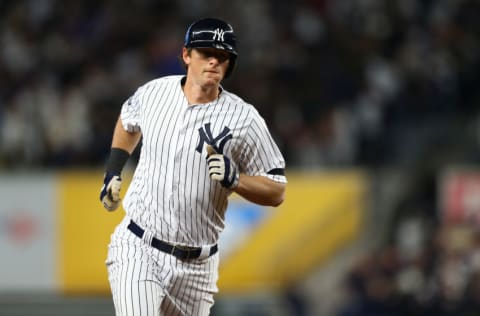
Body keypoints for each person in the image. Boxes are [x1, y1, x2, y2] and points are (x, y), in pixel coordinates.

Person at [100, 17, 287, 315]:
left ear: (230, 65)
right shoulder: (154, 93)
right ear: (186, 55)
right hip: (139, 246)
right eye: (205, 53)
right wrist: (113, 169)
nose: (213, 61)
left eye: (222, 56)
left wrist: (237, 180)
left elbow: (276, 190)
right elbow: (127, 120)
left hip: (197, 270)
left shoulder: (245, 119)